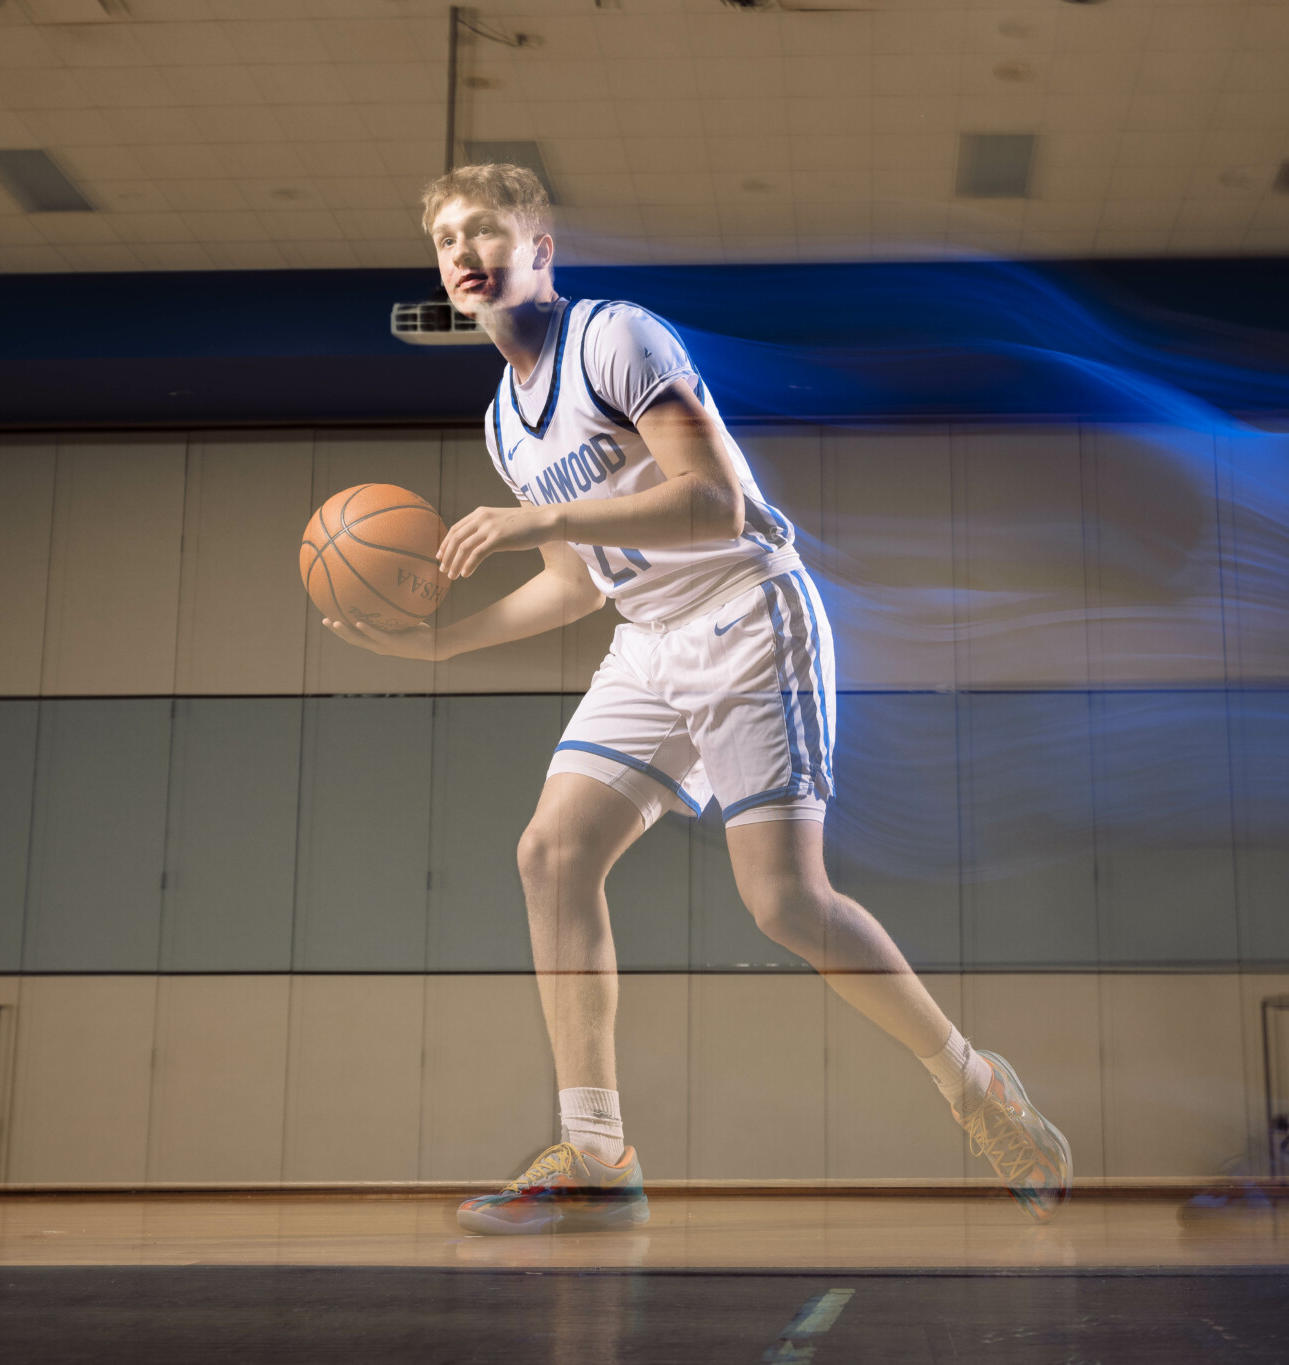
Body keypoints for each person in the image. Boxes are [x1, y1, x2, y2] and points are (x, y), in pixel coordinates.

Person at [326, 162, 1070, 1235]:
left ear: (540, 251)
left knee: (782, 905)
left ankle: (968, 1081)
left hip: (745, 610)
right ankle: (595, 1153)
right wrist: (448, 645)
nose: (463, 252)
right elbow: (578, 586)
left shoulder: (616, 339)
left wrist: (537, 522)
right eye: (446, 239)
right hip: (647, 639)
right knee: (550, 852)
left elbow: (717, 504)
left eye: (486, 231)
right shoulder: (502, 421)